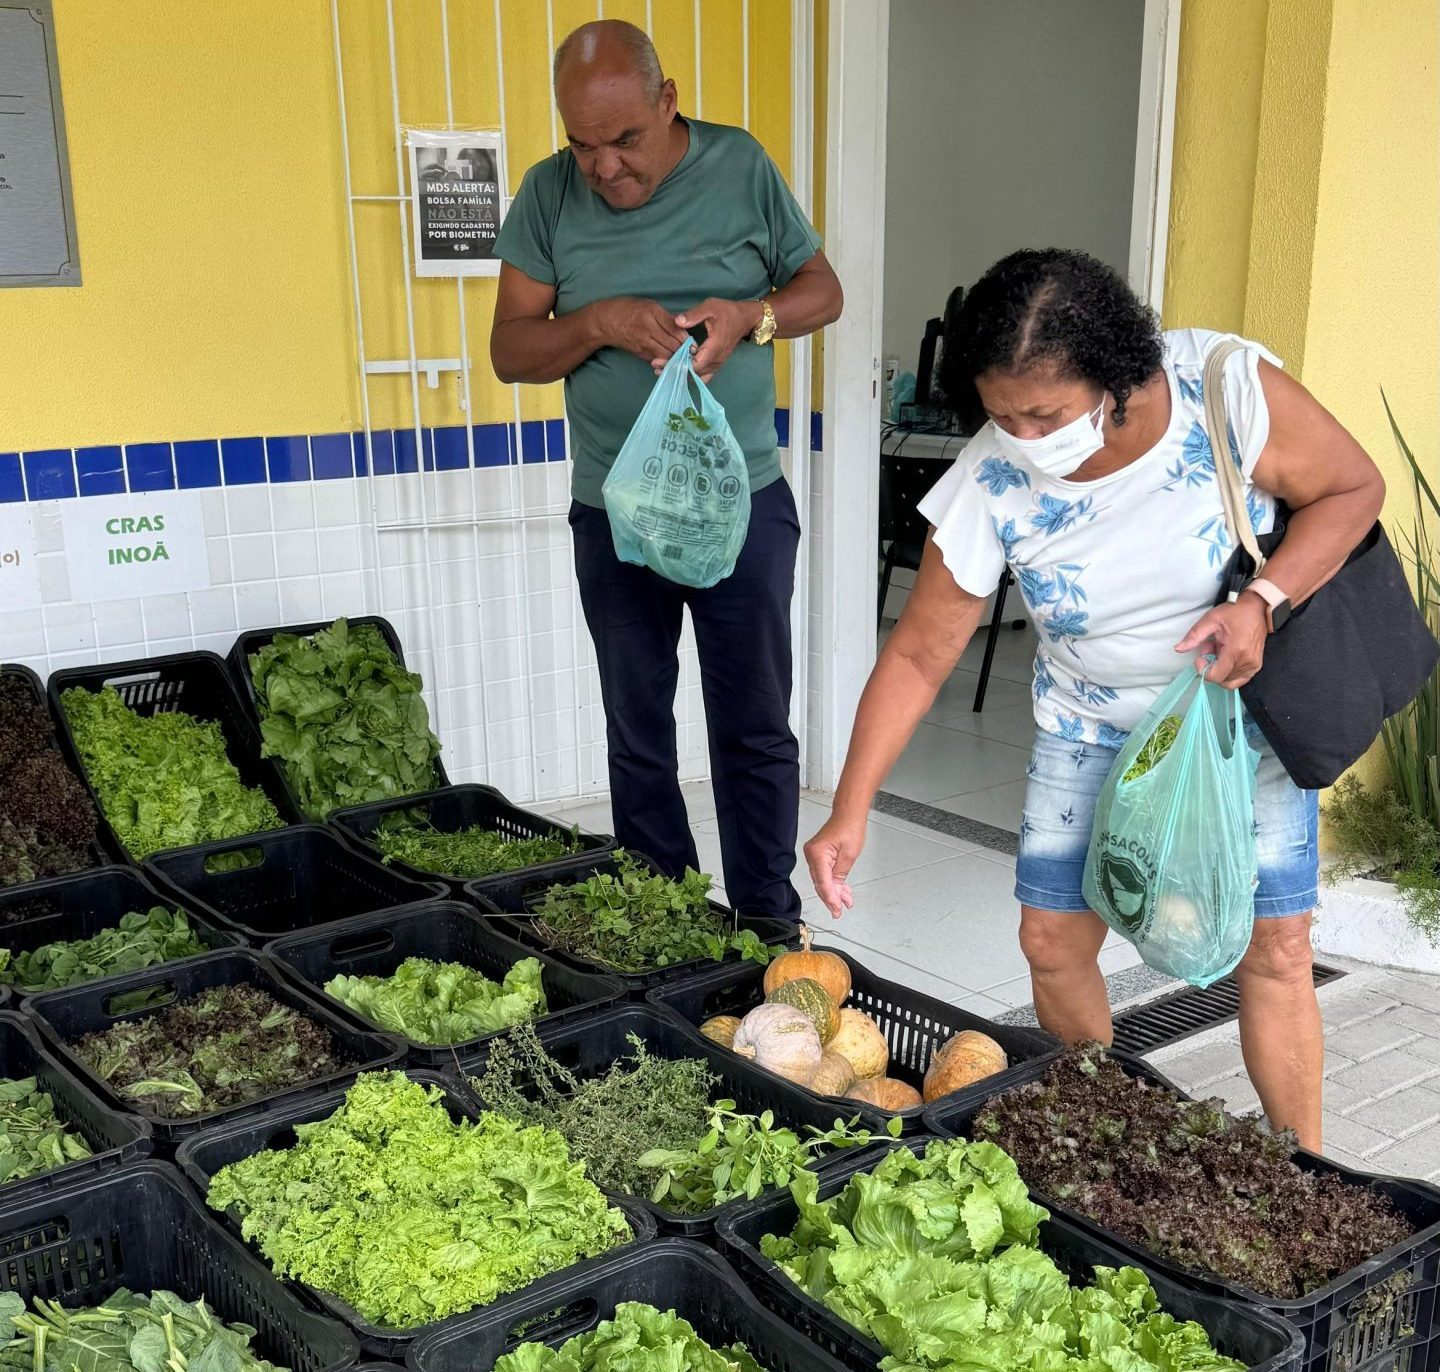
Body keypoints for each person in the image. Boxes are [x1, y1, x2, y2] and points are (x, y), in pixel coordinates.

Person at [805, 248, 1387, 1150]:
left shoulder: (1221, 389)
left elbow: (1354, 488)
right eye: (1003, 415)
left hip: (1235, 722)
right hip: (1088, 724)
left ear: (1118, 376)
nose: (1027, 440)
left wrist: (1261, 604)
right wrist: (850, 810)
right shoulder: (992, 477)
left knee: (1274, 951)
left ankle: (1304, 1166)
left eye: (1047, 414)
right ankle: (1108, 1133)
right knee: (1052, 940)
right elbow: (920, 655)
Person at [490, 20, 843, 920]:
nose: (604, 167)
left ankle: (766, 917)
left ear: (668, 100)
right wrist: (598, 322)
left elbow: (822, 291)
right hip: (614, 512)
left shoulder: (740, 167)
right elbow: (511, 351)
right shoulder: (544, 197)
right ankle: (665, 914)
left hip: (742, 505)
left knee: (754, 728)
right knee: (637, 728)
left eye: (625, 141)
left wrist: (753, 317)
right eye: (582, 145)